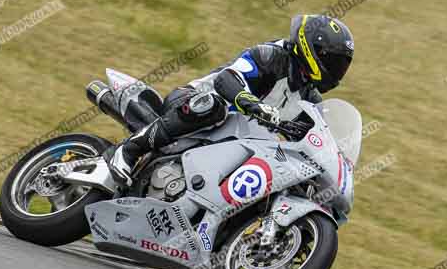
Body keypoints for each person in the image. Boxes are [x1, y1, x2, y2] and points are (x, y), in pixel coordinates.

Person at [105, 14, 354, 186]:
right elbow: (228, 79)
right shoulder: (271, 56)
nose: (336, 69)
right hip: (193, 103)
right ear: (311, 49)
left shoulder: (309, 97)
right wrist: (253, 105)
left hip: (232, 141)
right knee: (213, 108)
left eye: (341, 64)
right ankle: (129, 150)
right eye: (332, 60)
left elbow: (318, 140)